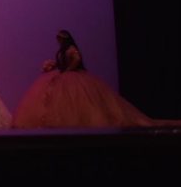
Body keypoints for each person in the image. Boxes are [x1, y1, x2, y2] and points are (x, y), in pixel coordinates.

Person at [12, 30, 154, 128]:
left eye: (60, 39)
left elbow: (76, 59)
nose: (59, 41)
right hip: (64, 74)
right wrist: (54, 66)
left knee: (75, 100)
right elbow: (63, 61)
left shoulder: (71, 49)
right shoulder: (62, 50)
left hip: (72, 75)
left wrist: (69, 69)